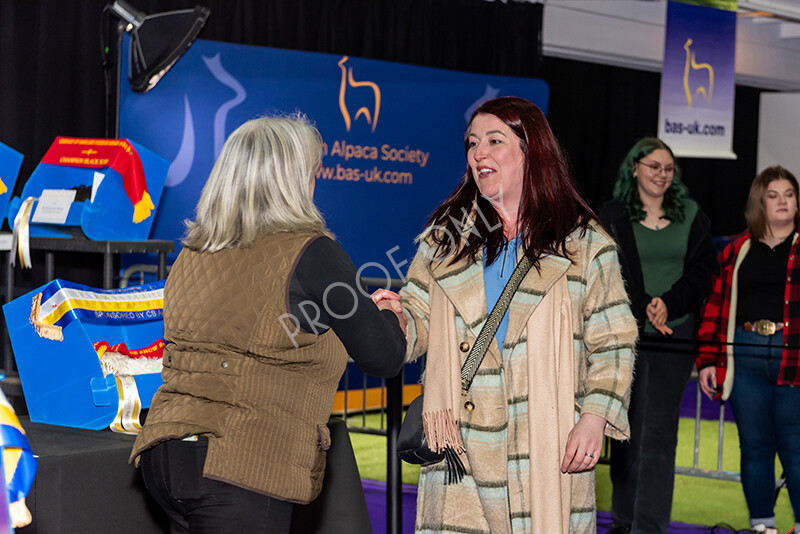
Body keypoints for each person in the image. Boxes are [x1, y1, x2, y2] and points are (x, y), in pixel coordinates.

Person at [129, 115, 407, 534]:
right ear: (292, 182)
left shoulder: (193, 252)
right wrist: (385, 314)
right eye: (312, 174)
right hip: (241, 464)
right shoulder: (312, 254)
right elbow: (384, 356)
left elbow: (261, 327)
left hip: (165, 455)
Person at [373, 96, 637, 533]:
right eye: (472, 143)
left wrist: (594, 418)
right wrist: (394, 317)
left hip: (546, 450)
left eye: (495, 141)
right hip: (458, 452)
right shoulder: (446, 239)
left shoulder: (584, 244)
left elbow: (615, 340)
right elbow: (418, 318)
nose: (479, 153)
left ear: (532, 152)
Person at [599, 137, 716, 534]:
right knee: (625, 431)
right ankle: (624, 519)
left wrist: (668, 303)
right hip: (624, 338)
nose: (661, 175)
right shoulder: (612, 215)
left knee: (660, 436)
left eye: (668, 169)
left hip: (674, 337)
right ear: (634, 168)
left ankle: (650, 527)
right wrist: (647, 302)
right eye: (653, 166)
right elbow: (606, 271)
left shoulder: (693, 216)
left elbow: (703, 275)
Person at [697, 166, 800, 534]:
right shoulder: (736, 249)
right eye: (773, 195)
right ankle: (762, 527)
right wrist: (708, 359)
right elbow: (714, 305)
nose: (782, 201)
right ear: (760, 201)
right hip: (744, 353)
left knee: (795, 448)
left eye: (789, 194)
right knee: (755, 447)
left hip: (795, 355)